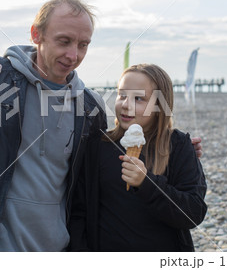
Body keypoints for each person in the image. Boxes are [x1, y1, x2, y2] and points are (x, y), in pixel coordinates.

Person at [0, 0, 202, 252]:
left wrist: (173, 146)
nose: (74, 55)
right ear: (36, 34)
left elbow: (98, 167)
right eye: (64, 41)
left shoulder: (89, 106)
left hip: (54, 249)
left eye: (83, 44)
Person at [69, 63, 207, 252]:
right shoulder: (98, 146)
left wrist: (147, 182)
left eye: (139, 98)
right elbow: (79, 212)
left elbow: (194, 212)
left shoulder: (178, 145)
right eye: (122, 95)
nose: (126, 104)